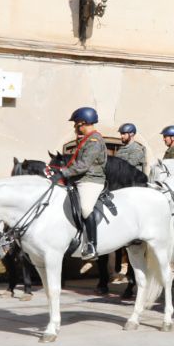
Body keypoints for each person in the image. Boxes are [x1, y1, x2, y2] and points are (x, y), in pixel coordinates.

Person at [64, 106, 109, 259]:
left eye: (76, 123)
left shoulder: (95, 140)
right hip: (79, 179)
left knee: (85, 208)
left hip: (91, 180)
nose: (74, 127)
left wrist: (63, 172)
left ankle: (91, 246)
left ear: (83, 122)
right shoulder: (86, 140)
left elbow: (83, 165)